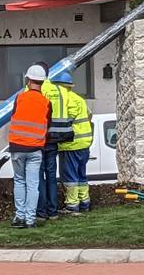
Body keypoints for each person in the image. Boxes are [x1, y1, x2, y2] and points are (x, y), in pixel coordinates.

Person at [10, 65, 51, 228]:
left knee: (19, 181)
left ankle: (19, 217)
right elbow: (48, 125)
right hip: (35, 148)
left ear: (28, 80)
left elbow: (13, 116)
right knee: (33, 184)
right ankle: (30, 219)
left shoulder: (19, 98)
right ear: (42, 82)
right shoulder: (46, 102)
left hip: (17, 145)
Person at [36, 62, 74, 221]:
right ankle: (53, 211)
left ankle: (41, 212)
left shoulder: (37, 89)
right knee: (51, 176)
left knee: (39, 176)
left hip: (40, 138)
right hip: (55, 139)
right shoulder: (59, 90)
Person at [55, 72, 94, 214]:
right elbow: (89, 116)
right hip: (84, 143)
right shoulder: (79, 99)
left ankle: (72, 205)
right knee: (81, 175)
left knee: (70, 176)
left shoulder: (64, 100)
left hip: (71, 144)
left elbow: (65, 122)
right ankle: (85, 202)